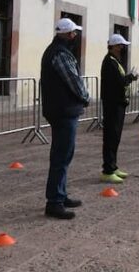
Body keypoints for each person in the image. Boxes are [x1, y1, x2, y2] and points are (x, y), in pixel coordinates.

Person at [40, 18, 90, 220]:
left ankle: (60, 194)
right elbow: (74, 81)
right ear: (67, 34)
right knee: (62, 155)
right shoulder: (60, 54)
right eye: (73, 33)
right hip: (63, 110)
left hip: (61, 110)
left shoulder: (56, 51)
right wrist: (86, 98)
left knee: (63, 154)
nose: (76, 36)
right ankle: (55, 201)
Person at [100, 34, 138, 183]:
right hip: (112, 104)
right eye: (120, 45)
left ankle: (113, 166)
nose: (122, 48)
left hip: (118, 103)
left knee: (115, 137)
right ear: (114, 46)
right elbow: (118, 82)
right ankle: (108, 169)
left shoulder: (115, 61)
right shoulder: (109, 62)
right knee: (110, 136)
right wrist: (131, 77)